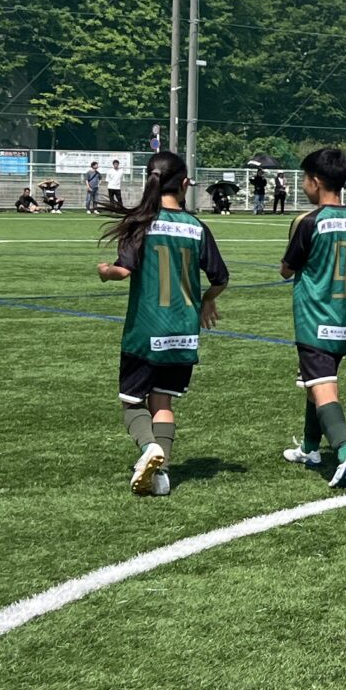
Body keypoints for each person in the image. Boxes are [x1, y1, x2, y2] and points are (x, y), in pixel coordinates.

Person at [97, 151, 227, 497]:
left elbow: (122, 270)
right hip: (183, 334)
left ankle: (149, 446)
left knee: (132, 402)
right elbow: (220, 278)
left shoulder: (141, 223)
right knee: (163, 403)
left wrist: (105, 271)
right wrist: (206, 300)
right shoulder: (197, 227)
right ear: (184, 184)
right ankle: (162, 475)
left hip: (146, 331)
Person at [279, 145, 346, 489]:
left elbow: (287, 270)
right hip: (343, 319)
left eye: (305, 179)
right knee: (316, 381)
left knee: (322, 386)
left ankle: (345, 452)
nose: (303, 185)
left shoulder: (309, 222)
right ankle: (310, 448)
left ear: (316, 181)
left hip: (314, 317)